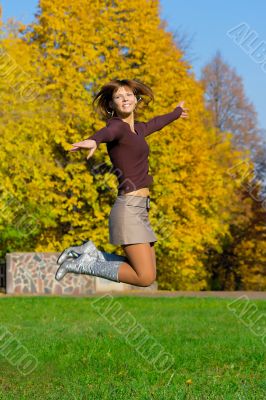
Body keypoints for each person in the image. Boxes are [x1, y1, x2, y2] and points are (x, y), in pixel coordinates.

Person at [55, 79, 188, 286]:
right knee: (144, 277)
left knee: (149, 273)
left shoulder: (137, 130)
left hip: (141, 209)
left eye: (128, 95)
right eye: (118, 96)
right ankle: (81, 264)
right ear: (111, 105)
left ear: (136, 99)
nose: (124, 99)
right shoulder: (117, 127)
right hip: (129, 209)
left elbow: (156, 123)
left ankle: (91, 253)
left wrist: (176, 113)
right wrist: (94, 140)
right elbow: (107, 133)